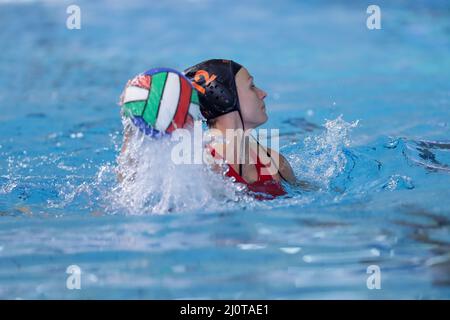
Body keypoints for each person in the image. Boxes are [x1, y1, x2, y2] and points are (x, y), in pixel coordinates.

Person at [184, 59, 301, 199]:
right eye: (251, 86)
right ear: (224, 97)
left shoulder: (277, 164)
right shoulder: (204, 171)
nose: (263, 93)